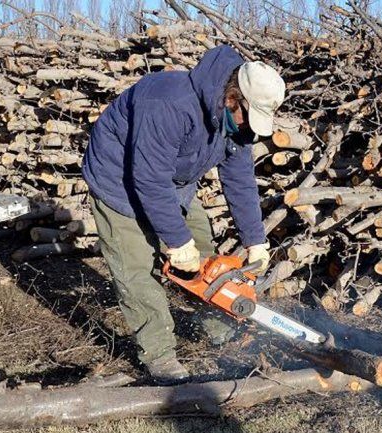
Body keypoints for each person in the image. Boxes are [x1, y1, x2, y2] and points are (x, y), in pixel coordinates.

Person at [81, 45, 285, 383]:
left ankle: (221, 327)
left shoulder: (235, 124)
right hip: (118, 179)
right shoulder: (170, 103)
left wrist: (255, 240)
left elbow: (240, 180)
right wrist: (176, 242)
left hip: (170, 181)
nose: (251, 128)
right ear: (234, 98)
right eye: (250, 118)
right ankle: (160, 355)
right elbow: (147, 177)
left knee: (205, 257)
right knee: (137, 270)